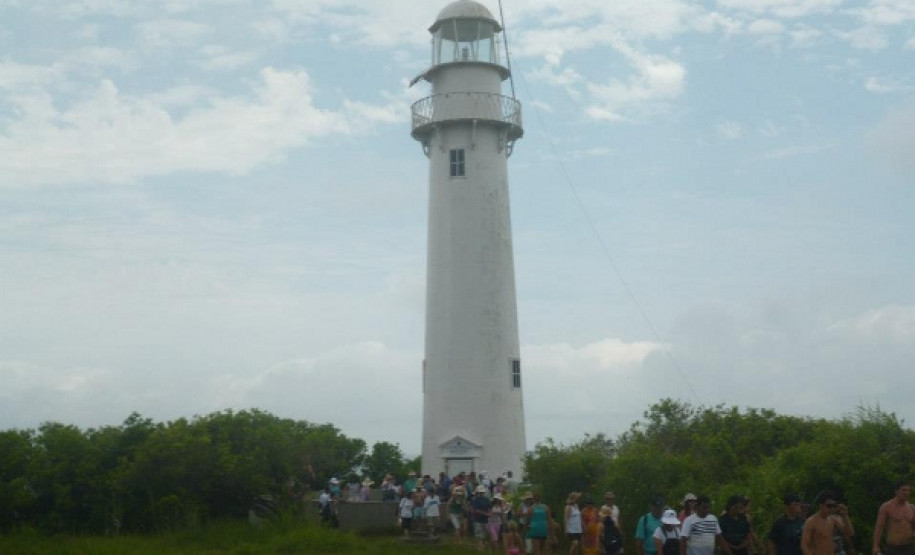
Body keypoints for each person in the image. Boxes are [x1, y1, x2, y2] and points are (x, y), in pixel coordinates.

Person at [873, 481, 915, 555]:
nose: (906, 493)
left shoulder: (912, 508)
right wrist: (875, 546)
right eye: (903, 490)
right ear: (896, 491)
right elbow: (879, 527)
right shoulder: (887, 507)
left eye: (908, 490)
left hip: (908, 547)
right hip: (893, 548)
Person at [471, 485, 494, 551]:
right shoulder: (475, 500)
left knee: (484, 535)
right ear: (477, 492)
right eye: (480, 492)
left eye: (482, 492)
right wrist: (487, 514)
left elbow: (490, 507)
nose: (481, 493)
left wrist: (491, 513)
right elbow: (477, 510)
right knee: (480, 535)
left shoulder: (486, 499)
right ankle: (481, 549)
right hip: (477, 520)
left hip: (485, 520)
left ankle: (481, 547)